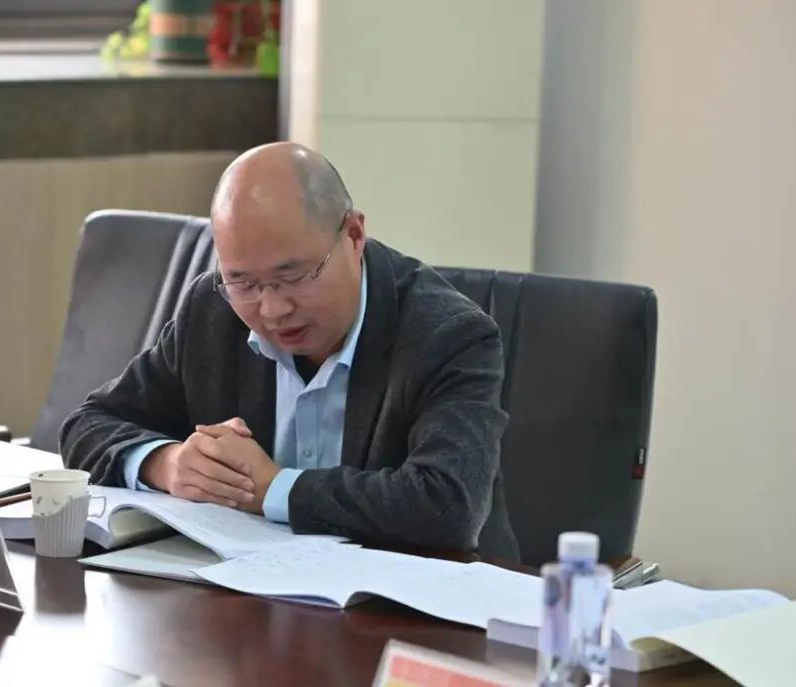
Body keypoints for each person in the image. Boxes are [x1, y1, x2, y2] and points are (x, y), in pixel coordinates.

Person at [60, 142, 518, 560]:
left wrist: (273, 489)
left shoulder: (448, 335)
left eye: (294, 276)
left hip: (415, 604)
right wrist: (168, 464)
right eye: (243, 282)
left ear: (354, 236)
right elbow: (88, 424)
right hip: (252, 595)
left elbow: (447, 506)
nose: (272, 309)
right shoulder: (212, 309)